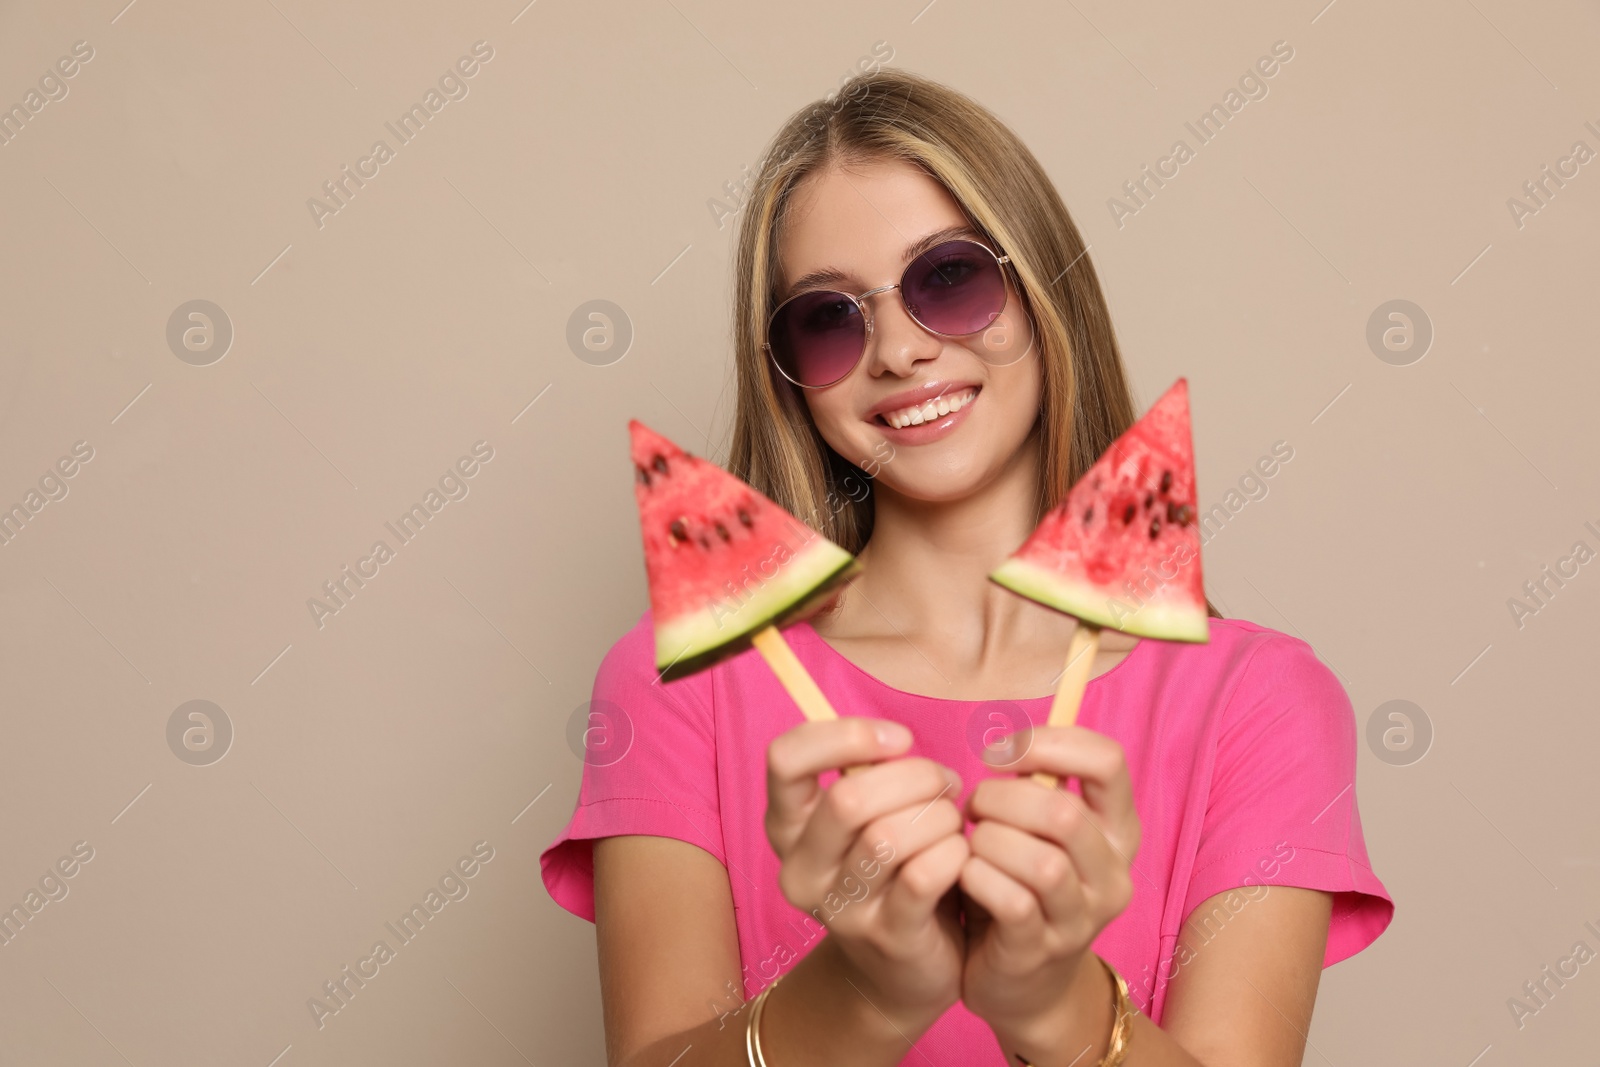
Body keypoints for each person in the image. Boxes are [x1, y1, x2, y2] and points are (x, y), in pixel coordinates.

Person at [540, 68, 1392, 1066]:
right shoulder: (675, 683)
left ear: (1041, 286)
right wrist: (862, 991)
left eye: (947, 277)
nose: (897, 350)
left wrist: (1053, 1002)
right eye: (827, 319)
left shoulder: (1261, 699)